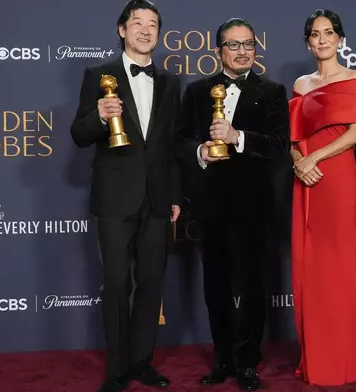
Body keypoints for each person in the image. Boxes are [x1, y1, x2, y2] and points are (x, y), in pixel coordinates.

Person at [70, 1, 181, 391]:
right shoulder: (98, 74)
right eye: (137, 23)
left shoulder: (170, 82)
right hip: (114, 199)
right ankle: (117, 369)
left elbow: (171, 147)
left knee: (152, 284)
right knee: (116, 284)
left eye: (153, 24)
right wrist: (99, 116)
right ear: (122, 30)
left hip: (156, 200)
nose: (146, 30)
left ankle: (142, 362)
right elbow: (79, 135)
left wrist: (175, 196)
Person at [174, 17, 290, 392]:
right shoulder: (196, 92)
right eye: (234, 45)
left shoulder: (272, 91)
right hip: (210, 206)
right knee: (216, 285)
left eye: (249, 44)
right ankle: (223, 357)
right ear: (218, 51)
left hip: (255, 205)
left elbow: (277, 146)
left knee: (254, 285)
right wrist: (202, 151)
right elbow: (179, 143)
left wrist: (238, 137)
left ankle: (248, 361)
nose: (242, 52)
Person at [289, 9, 356, 387]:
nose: (321, 40)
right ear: (307, 42)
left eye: (328, 33)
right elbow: (292, 139)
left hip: (337, 179)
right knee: (310, 271)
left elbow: (355, 134)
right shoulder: (300, 84)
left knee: (338, 272)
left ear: (340, 39)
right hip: (304, 180)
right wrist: (298, 164)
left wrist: (312, 159)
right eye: (314, 34)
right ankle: (316, 359)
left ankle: (345, 361)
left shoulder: (355, 79)